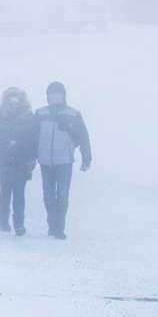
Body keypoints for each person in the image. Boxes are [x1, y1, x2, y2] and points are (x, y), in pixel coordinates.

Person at [34, 80, 93, 240]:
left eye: (58, 94)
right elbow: (32, 137)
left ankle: (59, 228)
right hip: (45, 161)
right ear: (47, 96)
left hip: (64, 161)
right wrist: (31, 157)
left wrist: (86, 158)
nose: (55, 97)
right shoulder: (40, 113)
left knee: (62, 195)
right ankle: (52, 224)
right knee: (48, 195)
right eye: (51, 94)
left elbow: (83, 137)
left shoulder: (72, 114)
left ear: (63, 96)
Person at [0, 86, 37, 235]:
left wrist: (32, 157)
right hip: (3, 160)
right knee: (5, 192)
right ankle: (4, 222)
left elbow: (34, 139)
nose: (14, 101)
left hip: (22, 160)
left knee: (19, 193)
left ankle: (19, 224)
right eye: (11, 98)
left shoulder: (29, 117)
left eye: (17, 98)